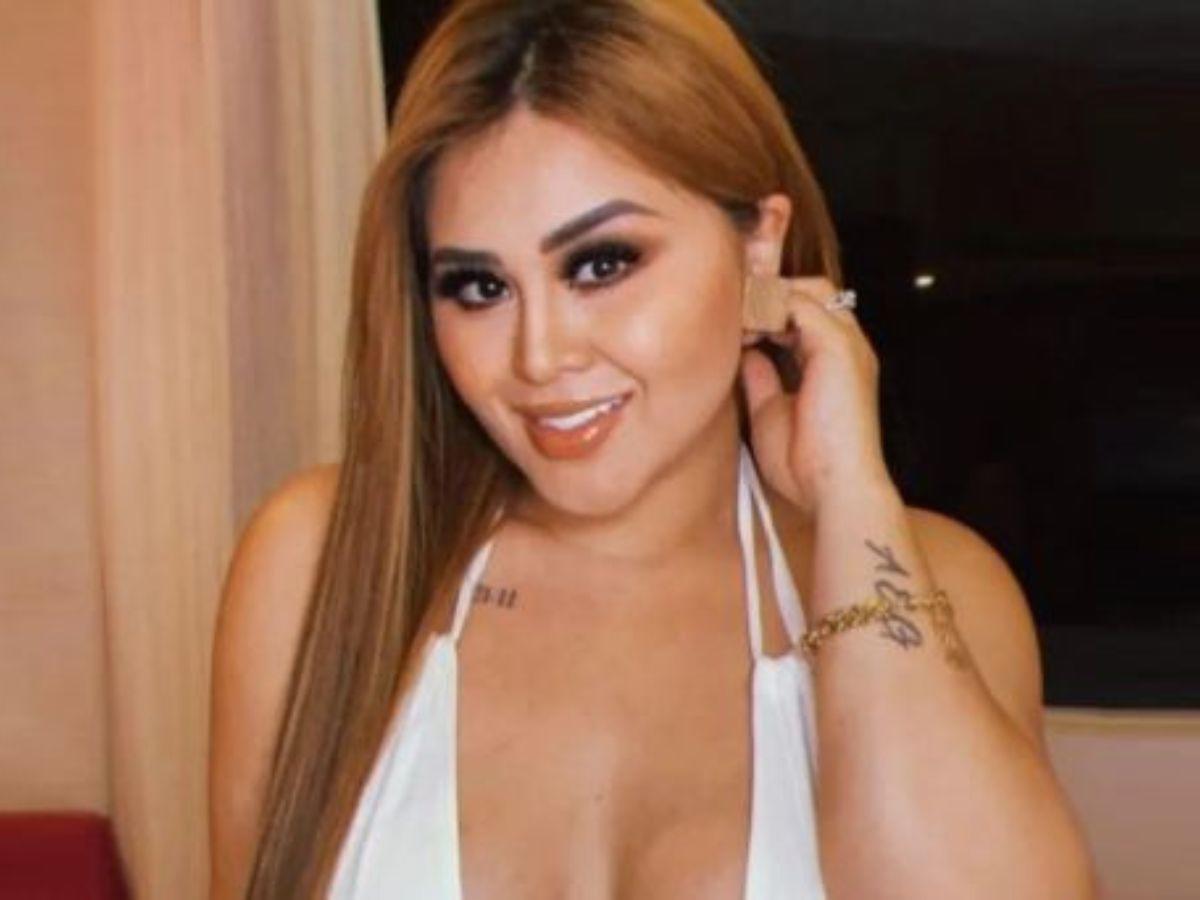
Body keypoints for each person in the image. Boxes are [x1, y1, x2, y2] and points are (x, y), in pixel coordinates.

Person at [209, 1, 1097, 897]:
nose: (540, 357)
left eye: (602, 264)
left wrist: (851, 495)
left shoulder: (936, 584)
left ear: (759, 245)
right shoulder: (323, 564)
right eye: (479, 287)